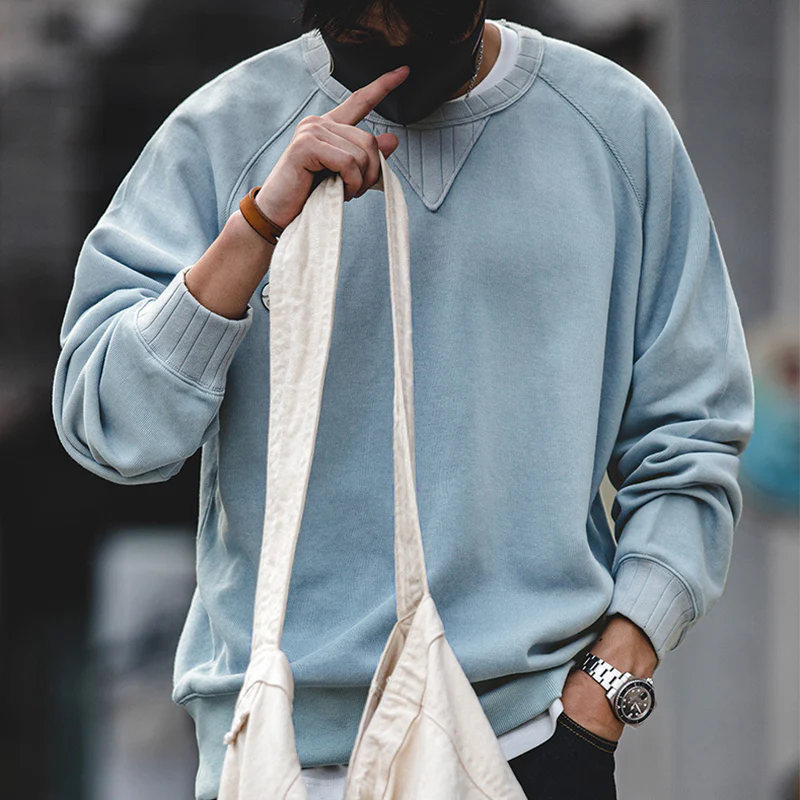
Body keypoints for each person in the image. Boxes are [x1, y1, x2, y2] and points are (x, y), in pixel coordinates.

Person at [51, 1, 755, 798]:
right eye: (357, 29)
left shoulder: (613, 128)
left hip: (528, 741)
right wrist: (256, 228)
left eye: (419, 25)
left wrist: (605, 691)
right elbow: (110, 427)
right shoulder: (225, 130)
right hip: (279, 750)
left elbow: (690, 437)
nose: (390, 50)